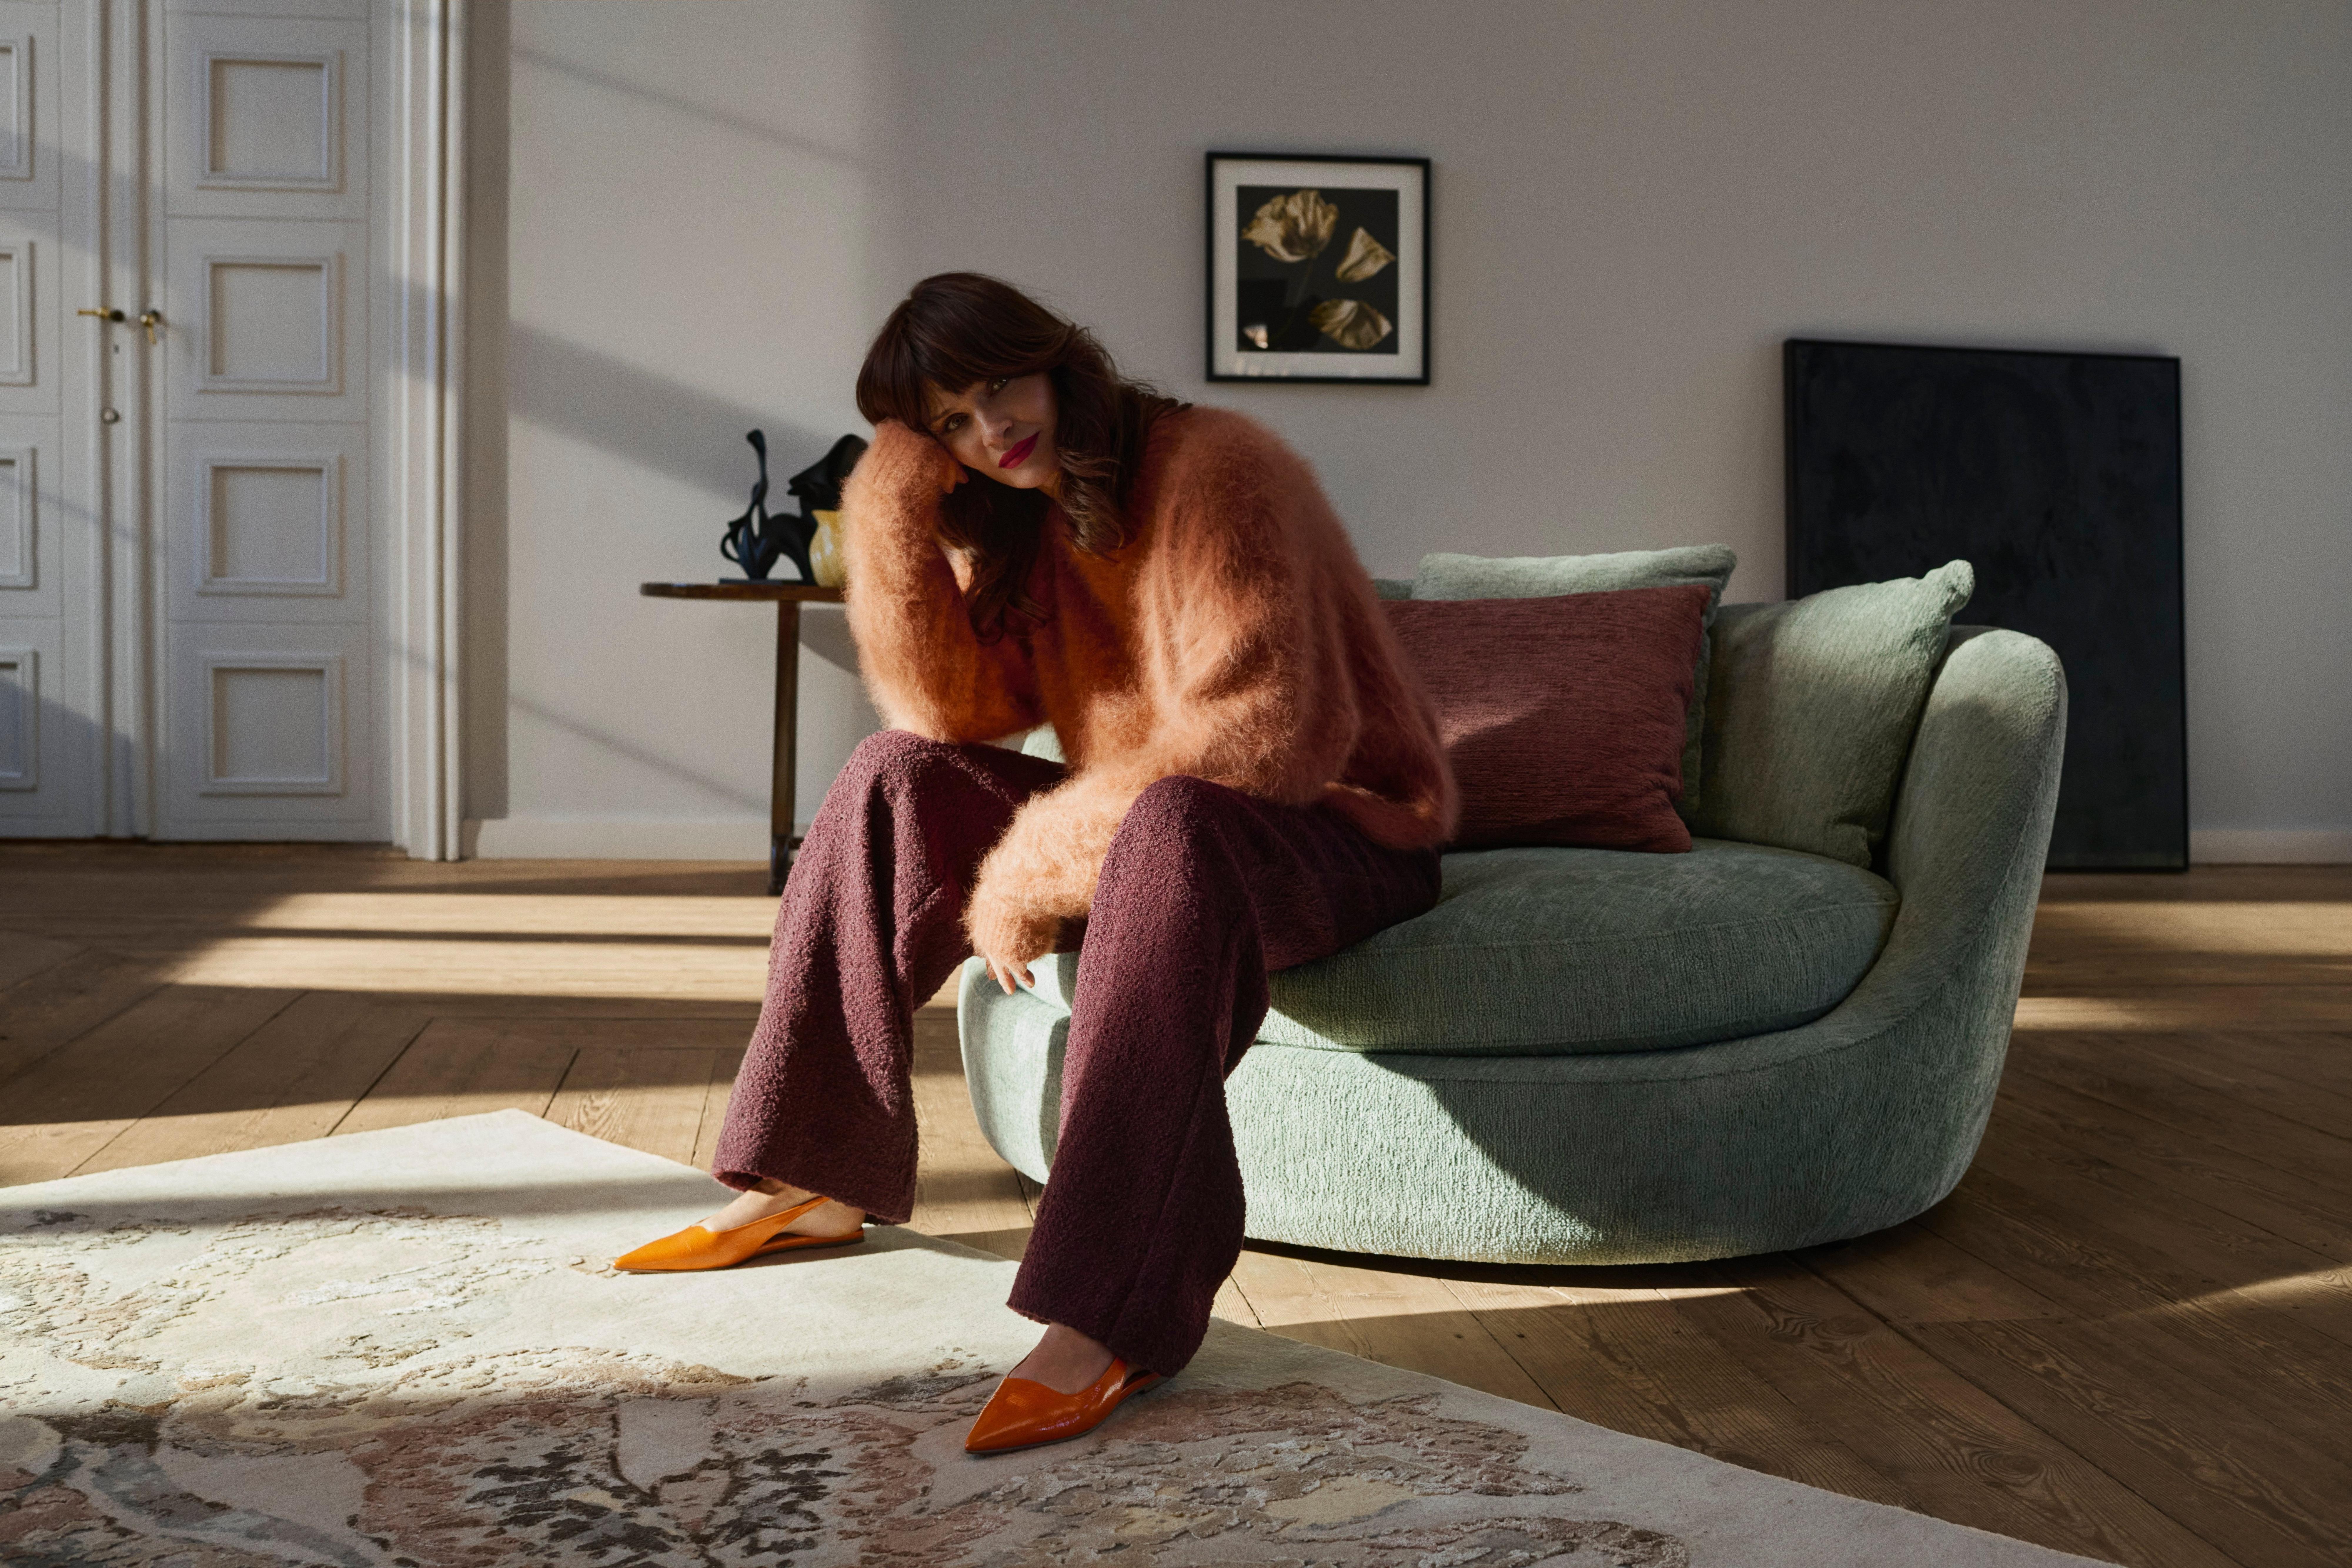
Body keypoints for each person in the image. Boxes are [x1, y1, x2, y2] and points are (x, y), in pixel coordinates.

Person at [614, 272, 1456, 1454]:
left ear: (1057, 358)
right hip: (1155, 829)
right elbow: (951, 717)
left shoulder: (1219, 468)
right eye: (950, 422)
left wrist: (1027, 869)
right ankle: (813, 1176)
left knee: (1172, 822)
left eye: (999, 386)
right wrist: (891, 508)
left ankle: (1111, 1309)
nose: (990, 429)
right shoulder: (1034, 515)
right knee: (892, 775)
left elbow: (1257, 737)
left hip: (1333, 828)